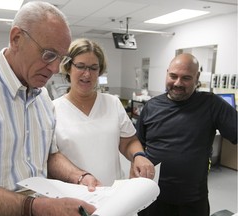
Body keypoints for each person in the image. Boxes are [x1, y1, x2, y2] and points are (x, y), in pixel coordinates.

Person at [0, 2, 101, 216]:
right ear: (16, 39)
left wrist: (80, 177)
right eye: (49, 54)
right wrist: (32, 207)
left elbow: (50, 156)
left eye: (61, 58)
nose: (55, 68)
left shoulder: (42, 96)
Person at [135, 53, 237, 216]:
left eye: (186, 78)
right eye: (173, 76)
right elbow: (137, 145)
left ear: (197, 78)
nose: (178, 83)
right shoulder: (151, 106)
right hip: (151, 197)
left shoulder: (211, 104)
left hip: (191, 201)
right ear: (167, 73)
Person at [53, 38, 155, 186]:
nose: (87, 74)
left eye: (94, 68)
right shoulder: (53, 109)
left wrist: (138, 155)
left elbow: (129, 141)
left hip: (112, 194)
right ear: (68, 67)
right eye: (80, 66)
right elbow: (52, 158)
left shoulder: (112, 103)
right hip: (74, 196)